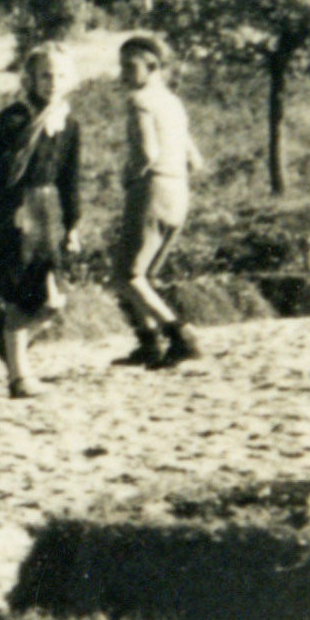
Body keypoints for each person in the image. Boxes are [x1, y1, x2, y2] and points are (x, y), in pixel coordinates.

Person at [0, 43, 83, 399]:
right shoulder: (13, 120)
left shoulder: (69, 123)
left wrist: (74, 223)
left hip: (49, 216)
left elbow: (70, 177)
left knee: (53, 300)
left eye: (61, 75)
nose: (53, 82)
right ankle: (19, 376)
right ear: (29, 78)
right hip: (14, 213)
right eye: (45, 74)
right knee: (23, 295)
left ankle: (9, 347)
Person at [111, 35, 205, 369]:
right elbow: (195, 160)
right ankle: (149, 343)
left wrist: (129, 176)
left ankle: (181, 335)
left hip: (151, 189)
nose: (123, 72)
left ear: (153, 67)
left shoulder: (139, 101)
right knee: (143, 275)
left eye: (130, 65)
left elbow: (146, 153)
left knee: (127, 276)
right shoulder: (172, 102)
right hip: (178, 191)